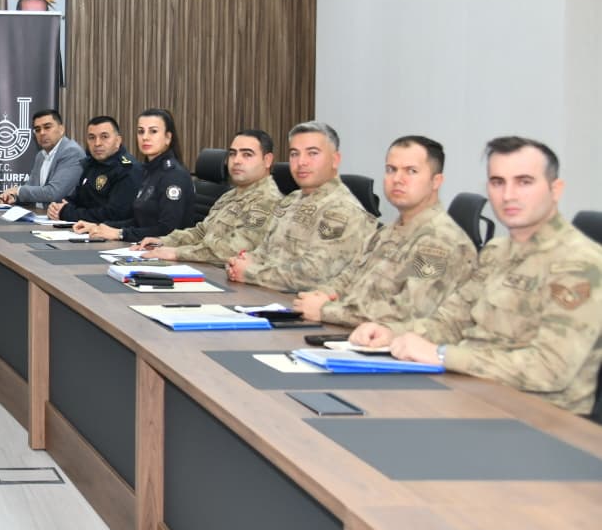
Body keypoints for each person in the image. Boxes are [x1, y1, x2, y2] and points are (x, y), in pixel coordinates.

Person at [353, 137, 602, 415]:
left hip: (537, 418)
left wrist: (443, 355)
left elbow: (549, 369)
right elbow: (451, 321)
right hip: (466, 393)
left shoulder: (580, 263)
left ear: (555, 190)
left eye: (524, 182)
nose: (508, 195)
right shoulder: (497, 253)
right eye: (498, 182)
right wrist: (391, 333)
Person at [293, 135, 476, 325]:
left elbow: (406, 314)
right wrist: (320, 295)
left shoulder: (439, 242)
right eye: (391, 170)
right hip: (352, 332)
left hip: (389, 340)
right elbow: (349, 278)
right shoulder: (386, 232)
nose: (397, 179)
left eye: (411, 171)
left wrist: (325, 311)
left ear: (436, 181)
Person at [224, 121, 377, 292]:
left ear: (335, 160)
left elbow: (313, 275)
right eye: (294, 154)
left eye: (312, 153)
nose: (301, 162)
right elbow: (265, 250)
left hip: (304, 303)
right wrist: (242, 261)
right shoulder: (291, 199)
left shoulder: (343, 210)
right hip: (266, 294)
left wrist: (250, 273)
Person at [136, 129, 283, 263]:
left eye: (247, 155)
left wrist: (176, 253)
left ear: (267, 160)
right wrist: (163, 242)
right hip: (206, 268)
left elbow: (232, 251)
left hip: (227, 277)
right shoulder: (231, 195)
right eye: (233, 154)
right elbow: (202, 232)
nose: (236, 160)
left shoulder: (268, 200)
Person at [74, 108, 195, 241]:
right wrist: (100, 227)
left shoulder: (173, 175)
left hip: (169, 249)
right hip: (145, 246)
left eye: (153, 131)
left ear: (168, 138)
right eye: (141, 131)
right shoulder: (149, 170)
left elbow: (168, 230)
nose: (145, 137)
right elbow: (140, 221)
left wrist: (121, 234)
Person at [47, 115, 142, 224]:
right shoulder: (90, 164)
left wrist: (67, 213)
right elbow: (76, 199)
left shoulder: (128, 169)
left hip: (113, 233)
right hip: (85, 229)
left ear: (118, 141)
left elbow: (115, 214)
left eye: (104, 137)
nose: (97, 143)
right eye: (92, 138)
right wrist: (57, 208)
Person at [0, 109, 85, 206]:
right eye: (37, 130)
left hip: (62, 215)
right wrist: (14, 198)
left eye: (47, 127)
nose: (42, 133)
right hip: (39, 213)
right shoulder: (41, 155)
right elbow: (31, 188)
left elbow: (54, 193)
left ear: (61, 129)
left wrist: (18, 190)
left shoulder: (72, 152)